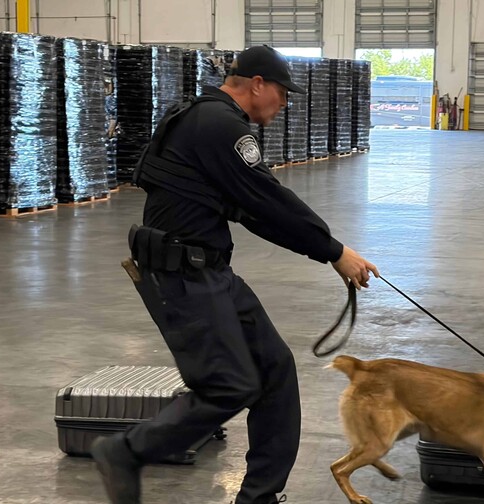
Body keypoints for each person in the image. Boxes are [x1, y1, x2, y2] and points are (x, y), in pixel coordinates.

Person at [92, 45, 380, 504]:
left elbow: (253, 212)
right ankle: (124, 451)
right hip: (181, 275)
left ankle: (259, 498)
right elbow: (266, 199)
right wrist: (333, 250)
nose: (283, 104)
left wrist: (327, 253)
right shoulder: (220, 125)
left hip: (208, 269)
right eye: (282, 94)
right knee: (229, 386)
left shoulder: (205, 117)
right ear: (258, 84)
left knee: (275, 370)